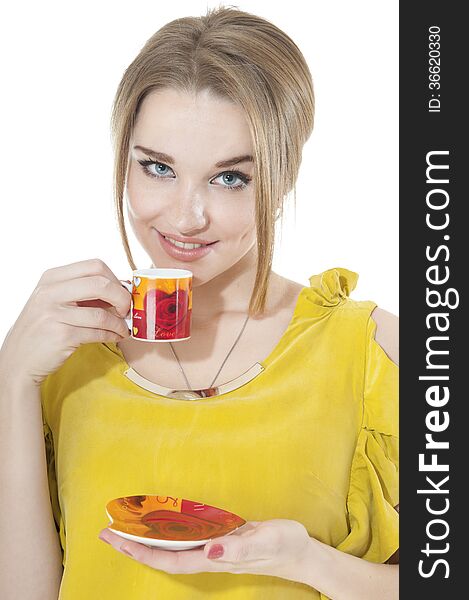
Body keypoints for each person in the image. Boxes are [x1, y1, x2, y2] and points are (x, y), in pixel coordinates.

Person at [0, 6, 398, 599]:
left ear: (284, 176)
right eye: (157, 168)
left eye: (230, 178)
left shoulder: (370, 354)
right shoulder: (61, 358)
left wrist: (308, 563)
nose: (186, 216)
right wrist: (11, 376)